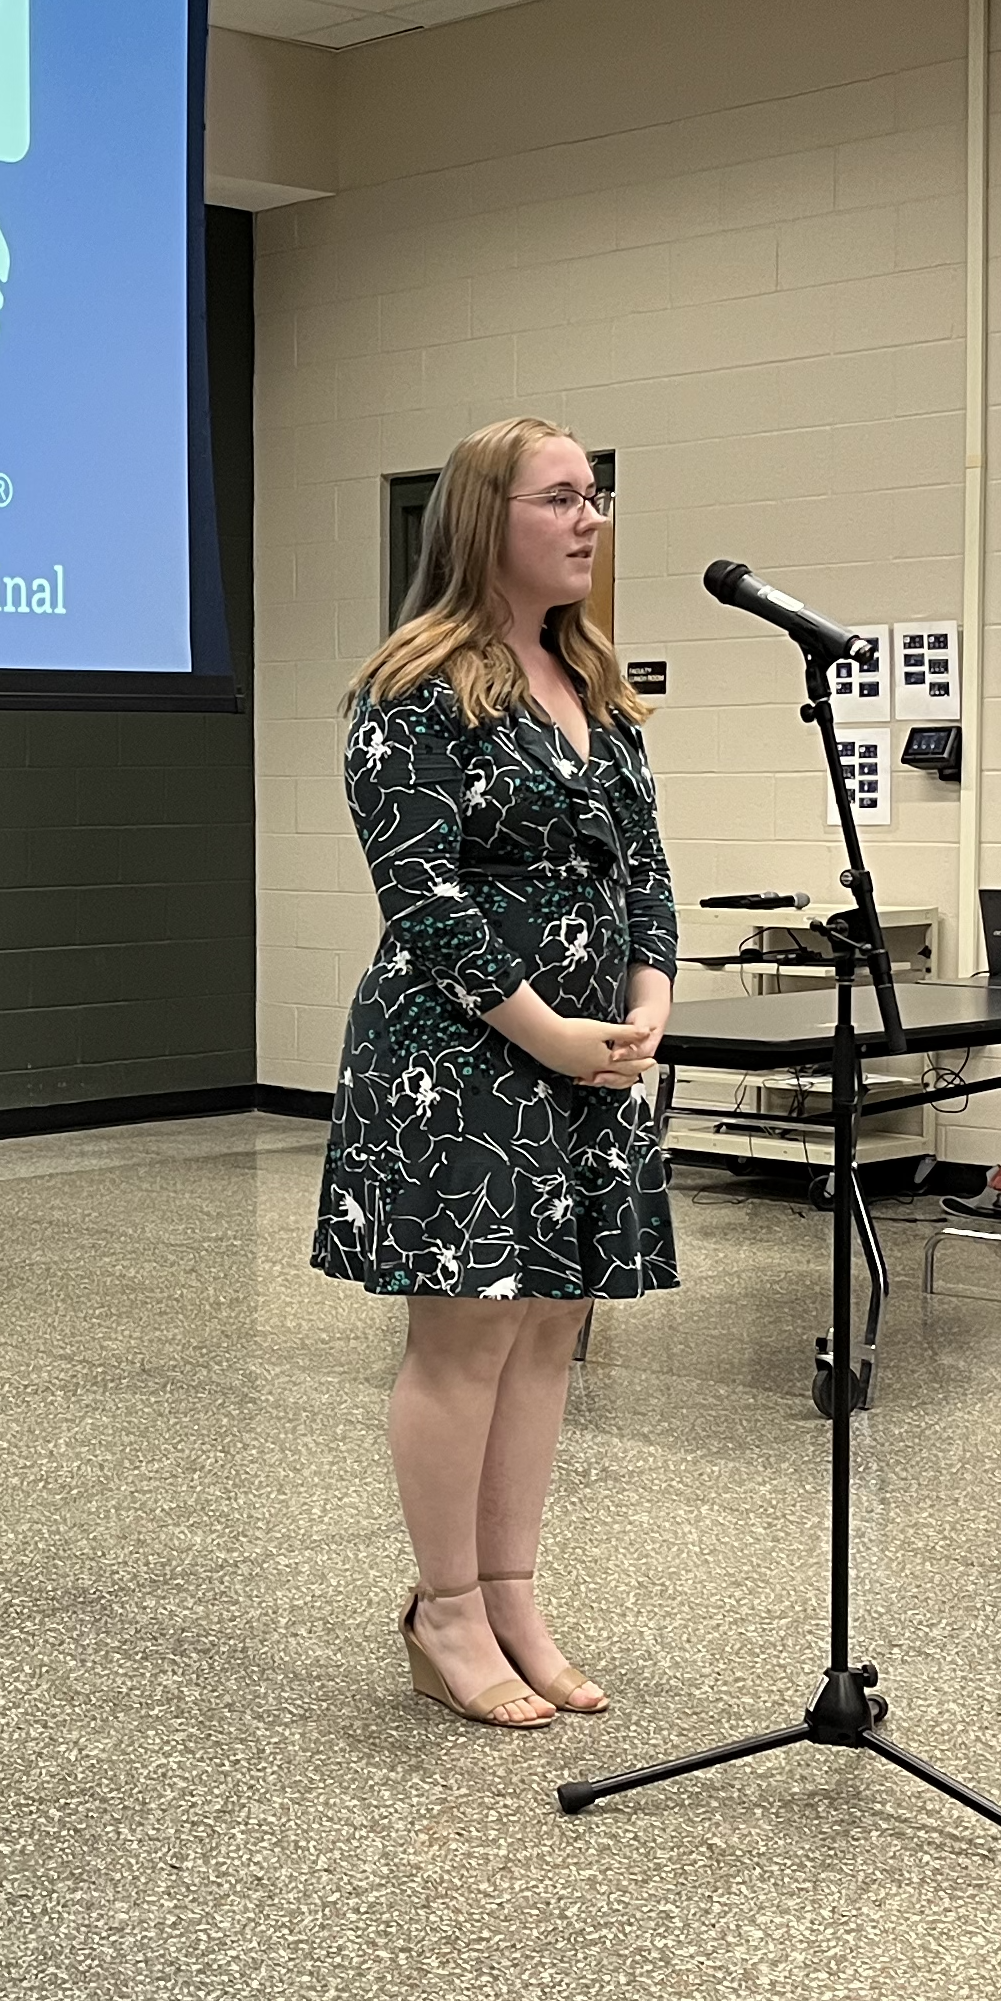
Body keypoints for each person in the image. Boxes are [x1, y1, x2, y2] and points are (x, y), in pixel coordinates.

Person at [312, 414, 675, 1730]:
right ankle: (444, 1612)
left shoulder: (600, 686)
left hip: (590, 1056)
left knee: (551, 1329)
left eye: (599, 497)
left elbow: (644, 873)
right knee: (466, 1333)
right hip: (460, 1054)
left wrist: (651, 999)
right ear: (484, 518)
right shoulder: (413, 687)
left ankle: (513, 1592)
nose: (590, 519)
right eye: (562, 497)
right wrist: (549, 1031)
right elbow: (423, 896)